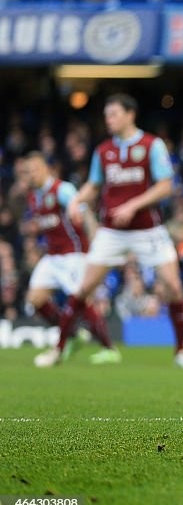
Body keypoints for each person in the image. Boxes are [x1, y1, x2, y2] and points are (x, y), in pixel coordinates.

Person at [33, 94, 183, 370]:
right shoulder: (104, 151)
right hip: (112, 231)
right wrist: (77, 200)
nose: (108, 120)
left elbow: (166, 185)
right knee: (84, 288)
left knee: (173, 286)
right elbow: (94, 184)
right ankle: (58, 348)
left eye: (113, 114)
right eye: (106, 115)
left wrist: (133, 205)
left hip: (149, 228)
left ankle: (181, 351)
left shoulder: (151, 146)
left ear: (130, 114)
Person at [19, 151, 100, 359]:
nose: (32, 174)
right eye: (29, 171)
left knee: (82, 300)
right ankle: (73, 334)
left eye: (36, 169)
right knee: (34, 299)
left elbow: (85, 212)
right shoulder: (34, 196)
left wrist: (96, 243)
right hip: (53, 256)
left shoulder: (62, 189)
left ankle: (108, 348)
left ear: (46, 168)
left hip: (74, 253)